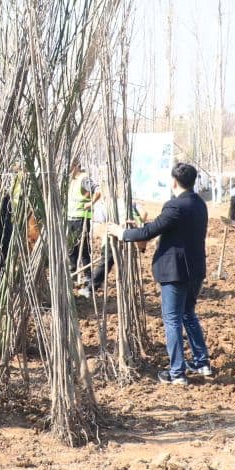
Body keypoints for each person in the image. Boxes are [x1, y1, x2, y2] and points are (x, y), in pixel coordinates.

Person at [116, 162, 212, 384]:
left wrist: (121, 232)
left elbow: (149, 232)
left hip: (175, 272)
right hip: (195, 270)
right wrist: (139, 227)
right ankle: (201, 362)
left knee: (172, 320)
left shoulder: (175, 206)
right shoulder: (199, 204)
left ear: (174, 181)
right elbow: (166, 227)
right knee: (188, 313)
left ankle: (177, 373)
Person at [67, 159, 101, 280]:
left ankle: (87, 276)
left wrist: (90, 203)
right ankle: (73, 275)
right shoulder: (72, 179)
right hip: (71, 218)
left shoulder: (83, 178)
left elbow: (98, 191)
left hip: (81, 218)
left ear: (75, 165)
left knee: (83, 247)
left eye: (70, 164)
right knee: (71, 248)